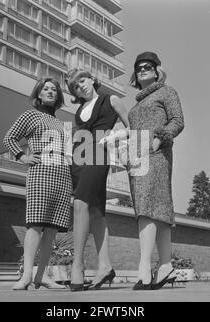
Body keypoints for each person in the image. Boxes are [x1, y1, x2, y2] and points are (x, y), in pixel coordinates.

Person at [3, 77, 72, 290]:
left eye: (54, 89)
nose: (50, 92)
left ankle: (42, 276)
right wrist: (22, 157)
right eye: (46, 89)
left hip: (62, 175)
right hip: (40, 172)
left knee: (51, 229)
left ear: (58, 96)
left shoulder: (61, 124)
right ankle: (26, 276)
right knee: (35, 224)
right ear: (39, 94)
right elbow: (9, 138)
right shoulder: (31, 115)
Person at [65, 68, 129, 291]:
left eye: (82, 81)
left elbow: (132, 126)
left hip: (99, 155)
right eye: (75, 86)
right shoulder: (80, 110)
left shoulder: (111, 99)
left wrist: (116, 135)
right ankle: (105, 268)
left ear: (91, 80)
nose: (80, 86)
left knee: (80, 203)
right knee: (96, 212)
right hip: (78, 158)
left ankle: (78, 265)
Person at [128, 52, 184, 290]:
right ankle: (165, 265)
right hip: (136, 157)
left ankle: (143, 267)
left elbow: (177, 120)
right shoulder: (136, 104)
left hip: (157, 153)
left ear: (157, 69)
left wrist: (161, 139)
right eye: (139, 67)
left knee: (147, 208)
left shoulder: (167, 91)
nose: (143, 69)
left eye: (148, 66)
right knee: (156, 208)